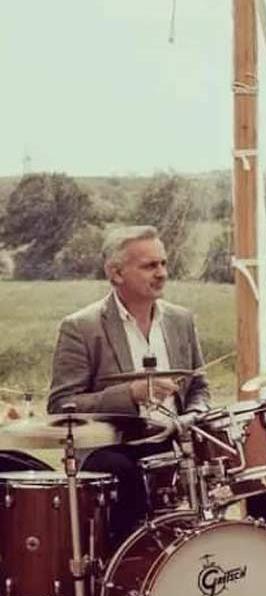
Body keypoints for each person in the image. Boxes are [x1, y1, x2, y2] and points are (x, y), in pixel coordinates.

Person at [48, 225, 211, 546]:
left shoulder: (181, 320)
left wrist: (192, 417)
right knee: (124, 473)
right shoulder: (82, 328)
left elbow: (200, 387)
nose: (162, 273)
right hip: (114, 451)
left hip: (176, 441)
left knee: (262, 471)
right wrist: (130, 395)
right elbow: (61, 404)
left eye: (163, 263)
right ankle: (134, 569)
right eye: (150, 265)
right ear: (116, 273)